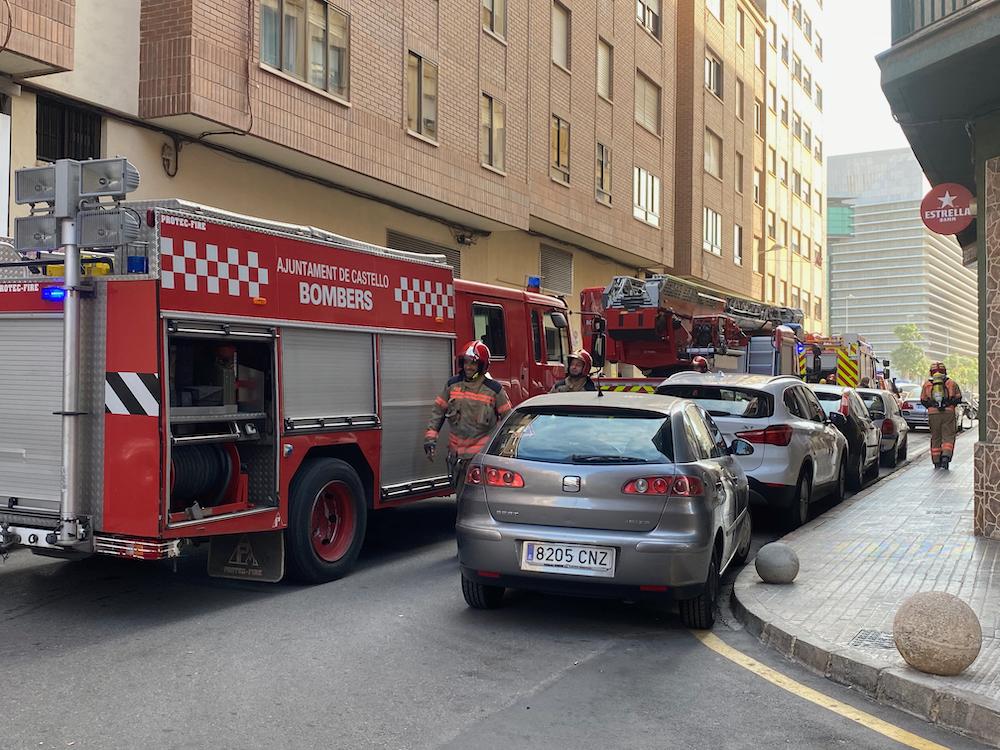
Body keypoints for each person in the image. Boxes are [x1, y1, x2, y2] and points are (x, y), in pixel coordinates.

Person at [425, 341, 512, 497]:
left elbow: (508, 422)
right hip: (457, 458)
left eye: (473, 363)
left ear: (482, 365)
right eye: (466, 362)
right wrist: (430, 439)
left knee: (480, 500)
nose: (468, 367)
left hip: (480, 459)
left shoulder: (494, 390)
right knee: (462, 500)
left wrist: (502, 452)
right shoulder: (452, 385)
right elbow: (438, 411)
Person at [920, 362, 962, 470]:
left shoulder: (927, 384)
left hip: (933, 414)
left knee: (935, 437)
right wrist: (948, 403)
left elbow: (923, 400)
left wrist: (933, 406)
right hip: (948, 413)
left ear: (931, 372)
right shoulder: (952, 383)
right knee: (948, 436)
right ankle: (946, 457)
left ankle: (936, 461)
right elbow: (958, 398)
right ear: (945, 371)